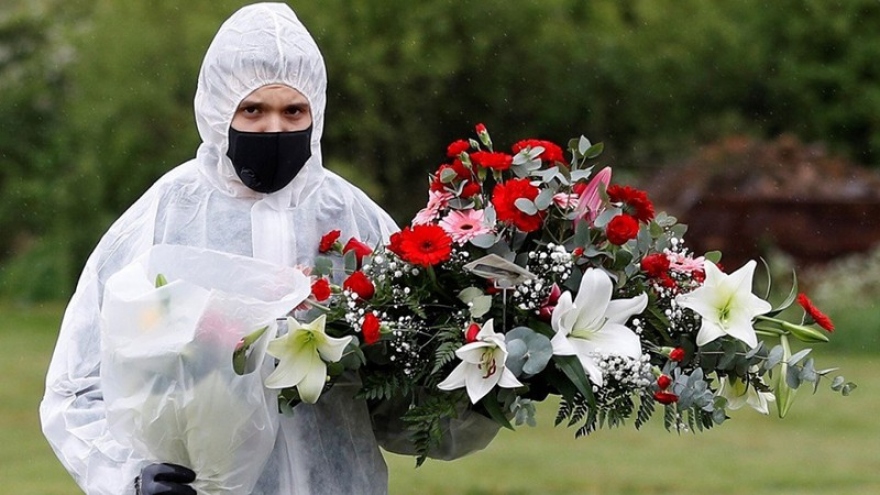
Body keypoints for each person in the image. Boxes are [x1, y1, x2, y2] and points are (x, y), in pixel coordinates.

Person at [40, 3, 401, 494]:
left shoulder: (353, 218)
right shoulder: (165, 217)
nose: (275, 129)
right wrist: (128, 477)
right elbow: (75, 387)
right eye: (253, 109)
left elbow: (403, 399)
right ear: (216, 109)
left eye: (293, 110)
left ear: (315, 112)